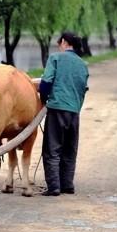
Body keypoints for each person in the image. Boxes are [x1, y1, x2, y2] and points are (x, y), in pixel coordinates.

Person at [38, 32, 89, 196]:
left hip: (57, 108)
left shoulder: (56, 58)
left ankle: (54, 187)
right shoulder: (83, 64)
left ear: (65, 43)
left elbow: (45, 83)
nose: (59, 47)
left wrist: (44, 99)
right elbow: (83, 89)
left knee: (52, 148)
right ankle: (67, 184)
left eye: (60, 43)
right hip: (74, 111)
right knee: (69, 148)